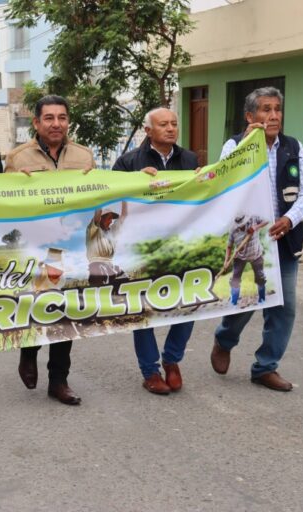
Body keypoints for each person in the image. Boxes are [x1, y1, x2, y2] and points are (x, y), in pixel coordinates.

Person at [211, 86, 303, 392]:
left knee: (283, 307)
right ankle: (224, 340)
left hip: (283, 241)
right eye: (265, 109)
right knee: (246, 302)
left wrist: (289, 219)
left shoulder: (294, 148)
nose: (273, 115)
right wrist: (247, 145)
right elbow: (224, 186)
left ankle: (265, 367)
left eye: (277, 109)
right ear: (250, 116)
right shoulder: (234, 146)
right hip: (249, 240)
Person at [5, 94, 95, 406]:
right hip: (35, 250)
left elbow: (99, 196)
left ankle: (59, 380)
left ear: (68, 122)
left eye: (62, 118)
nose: (56, 124)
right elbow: (4, 204)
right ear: (36, 122)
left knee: (66, 315)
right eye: (49, 118)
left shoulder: (85, 157)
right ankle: (28, 354)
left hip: (71, 248)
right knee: (37, 306)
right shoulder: (18, 159)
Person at [111, 107, 199, 395]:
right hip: (141, 248)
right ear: (148, 131)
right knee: (143, 309)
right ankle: (150, 370)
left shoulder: (189, 160)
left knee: (187, 304)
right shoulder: (128, 162)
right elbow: (112, 204)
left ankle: (172, 360)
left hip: (179, 246)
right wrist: (136, 182)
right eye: (164, 124)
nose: (171, 128)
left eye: (174, 123)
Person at [225, 214, 269, 306]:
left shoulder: (253, 219)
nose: (242, 225)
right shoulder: (233, 230)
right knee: (235, 279)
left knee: (260, 277)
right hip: (240, 257)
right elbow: (229, 247)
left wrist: (256, 227)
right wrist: (226, 261)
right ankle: (233, 302)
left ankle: (262, 300)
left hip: (256, 254)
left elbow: (267, 220)